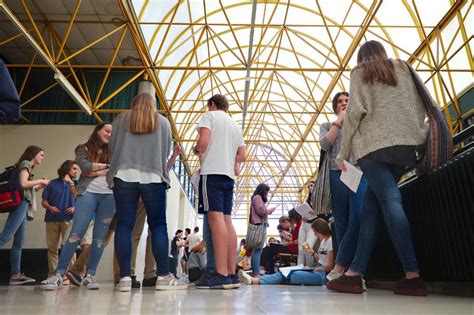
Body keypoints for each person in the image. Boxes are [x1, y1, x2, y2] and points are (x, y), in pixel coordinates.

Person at [327, 41, 430, 296]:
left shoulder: (359, 73)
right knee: (371, 206)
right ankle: (354, 272)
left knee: (390, 200)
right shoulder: (403, 68)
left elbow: (354, 114)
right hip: (405, 148)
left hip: (374, 148)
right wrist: (418, 135)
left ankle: (412, 274)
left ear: (362, 58)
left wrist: (344, 153)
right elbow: (419, 104)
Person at [107, 93, 183, 291]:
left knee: (124, 225)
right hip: (153, 177)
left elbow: (112, 147)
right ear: (153, 104)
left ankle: (124, 277)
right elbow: (165, 151)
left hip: (123, 175)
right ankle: (163, 276)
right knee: (158, 225)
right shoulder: (163, 122)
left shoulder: (121, 119)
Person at [42, 123, 116, 290]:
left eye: (113, 132)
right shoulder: (83, 148)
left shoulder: (115, 151)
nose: (110, 134)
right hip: (87, 193)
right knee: (76, 234)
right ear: (98, 130)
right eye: (107, 130)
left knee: (99, 239)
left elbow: (112, 168)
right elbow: (85, 167)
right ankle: (59, 274)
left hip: (110, 196)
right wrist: (104, 168)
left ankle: (90, 275)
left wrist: (95, 170)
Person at [194, 94, 246, 289]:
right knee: (227, 220)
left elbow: (203, 142)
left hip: (212, 173)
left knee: (215, 221)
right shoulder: (235, 125)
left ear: (212, 104)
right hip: (228, 177)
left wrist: (197, 149)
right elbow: (242, 156)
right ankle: (231, 273)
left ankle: (221, 274)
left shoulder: (210, 116)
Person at [319, 92, 368, 282]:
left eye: (347, 101)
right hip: (336, 173)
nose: (344, 103)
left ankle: (347, 265)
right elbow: (325, 144)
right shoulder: (327, 125)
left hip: (357, 171)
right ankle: (346, 268)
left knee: (358, 215)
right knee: (341, 222)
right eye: (339, 102)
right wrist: (339, 121)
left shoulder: (360, 124)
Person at [0, 146, 49, 285]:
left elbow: (26, 186)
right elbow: (23, 183)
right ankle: (15, 274)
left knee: (19, 242)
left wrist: (37, 187)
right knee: (6, 236)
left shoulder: (27, 167)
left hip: (22, 202)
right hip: (21, 203)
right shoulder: (26, 164)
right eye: (41, 155)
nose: (42, 158)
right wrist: (41, 181)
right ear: (33, 154)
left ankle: (16, 274)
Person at [239, 219, 334, 286]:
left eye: (314, 231)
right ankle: (255, 280)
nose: (314, 234)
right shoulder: (323, 242)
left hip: (323, 275)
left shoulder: (331, 241)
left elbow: (329, 266)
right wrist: (312, 253)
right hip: (318, 269)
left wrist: (315, 269)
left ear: (319, 230)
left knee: (292, 274)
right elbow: (322, 260)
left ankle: (255, 280)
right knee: (286, 273)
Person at [42, 160, 79, 277]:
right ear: (67, 169)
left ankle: (70, 275)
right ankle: (53, 274)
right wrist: (50, 207)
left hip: (69, 219)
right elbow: (44, 201)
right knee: (52, 248)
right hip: (51, 219)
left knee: (70, 248)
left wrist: (75, 208)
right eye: (74, 168)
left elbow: (82, 201)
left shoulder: (76, 185)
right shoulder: (51, 184)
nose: (76, 171)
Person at [247, 183, 276, 277]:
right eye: (266, 192)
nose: (267, 194)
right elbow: (261, 211)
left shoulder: (256, 197)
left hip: (257, 226)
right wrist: (269, 211)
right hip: (259, 227)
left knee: (256, 251)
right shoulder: (257, 197)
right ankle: (256, 273)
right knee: (257, 251)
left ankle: (255, 272)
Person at [298, 181, 318, 267]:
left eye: (311, 185)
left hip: (312, 227)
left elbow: (325, 213)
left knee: (308, 249)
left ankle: (309, 269)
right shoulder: (308, 200)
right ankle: (298, 269)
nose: (309, 188)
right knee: (300, 250)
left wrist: (316, 213)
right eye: (308, 186)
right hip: (304, 225)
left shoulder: (320, 199)